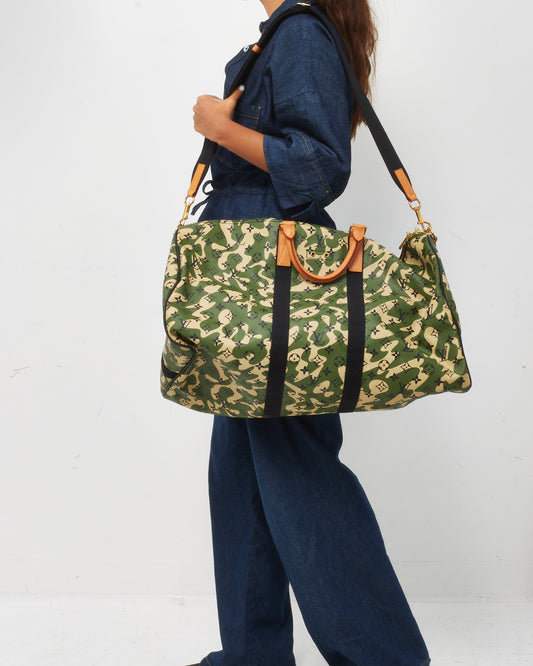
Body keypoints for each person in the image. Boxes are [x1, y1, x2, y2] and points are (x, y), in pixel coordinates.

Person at [187, 0, 431, 664]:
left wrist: (218, 127)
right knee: (239, 475)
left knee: (298, 472)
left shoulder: (298, 34)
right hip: (249, 282)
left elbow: (320, 164)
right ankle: (252, 656)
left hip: (274, 286)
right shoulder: (284, 34)